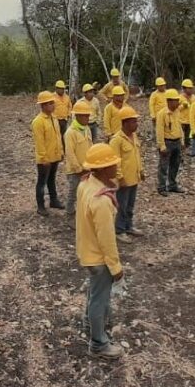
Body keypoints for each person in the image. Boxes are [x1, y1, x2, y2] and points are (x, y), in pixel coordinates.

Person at [76, 143, 125, 360]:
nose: (116, 167)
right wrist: (115, 267)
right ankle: (98, 343)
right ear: (104, 169)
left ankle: (90, 320)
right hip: (98, 257)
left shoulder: (86, 184)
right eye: (113, 164)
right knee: (100, 298)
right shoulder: (103, 201)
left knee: (94, 293)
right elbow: (107, 239)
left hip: (86, 250)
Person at [110, 105, 144, 238]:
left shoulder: (134, 137)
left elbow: (137, 154)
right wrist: (120, 177)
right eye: (133, 121)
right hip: (123, 180)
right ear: (125, 123)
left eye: (136, 121)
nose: (136, 124)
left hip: (134, 177)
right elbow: (114, 161)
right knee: (121, 206)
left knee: (130, 204)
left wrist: (141, 170)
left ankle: (129, 226)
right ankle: (119, 230)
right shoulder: (116, 140)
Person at [32, 90, 65, 216]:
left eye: (52, 102)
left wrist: (61, 152)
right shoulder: (38, 122)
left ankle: (53, 200)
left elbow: (58, 137)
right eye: (50, 103)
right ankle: (40, 206)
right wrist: (43, 159)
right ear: (43, 105)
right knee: (42, 182)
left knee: (52, 179)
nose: (53, 105)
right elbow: (39, 143)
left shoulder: (54, 118)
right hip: (45, 159)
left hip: (54, 156)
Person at [64, 100, 94, 225]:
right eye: (85, 115)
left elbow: (91, 146)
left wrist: (92, 165)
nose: (88, 118)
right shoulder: (70, 133)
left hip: (87, 168)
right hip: (75, 171)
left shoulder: (86, 129)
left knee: (86, 194)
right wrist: (79, 169)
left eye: (88, 115)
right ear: (78, 116)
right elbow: (70, 153)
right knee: (73, 193)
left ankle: (83, 215)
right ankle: (69, 215)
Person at [156, 89, 186, 195]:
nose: (177, 103)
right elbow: (159, 131)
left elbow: (179, 126)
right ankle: (162, 187)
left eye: (178, 100)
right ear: (169, 101)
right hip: (167, 142)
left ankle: (172, 185)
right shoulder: (162, 114)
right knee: (163, 166)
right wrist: (162, 146)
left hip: (176, 141)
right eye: (175, 100)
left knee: (175, 164)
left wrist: (182, 141)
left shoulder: (177, 112)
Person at [178, 79, 195, 150]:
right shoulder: (179, 97)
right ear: (184, 88)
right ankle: (181, 146)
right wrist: (183, 106)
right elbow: (175, 109)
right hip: (181, 120)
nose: (191, 90)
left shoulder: (194, 97)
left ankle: (187, 146)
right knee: (181, 135)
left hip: (190, 120)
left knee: (188, 135)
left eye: (191, 88)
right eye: (189, 88)